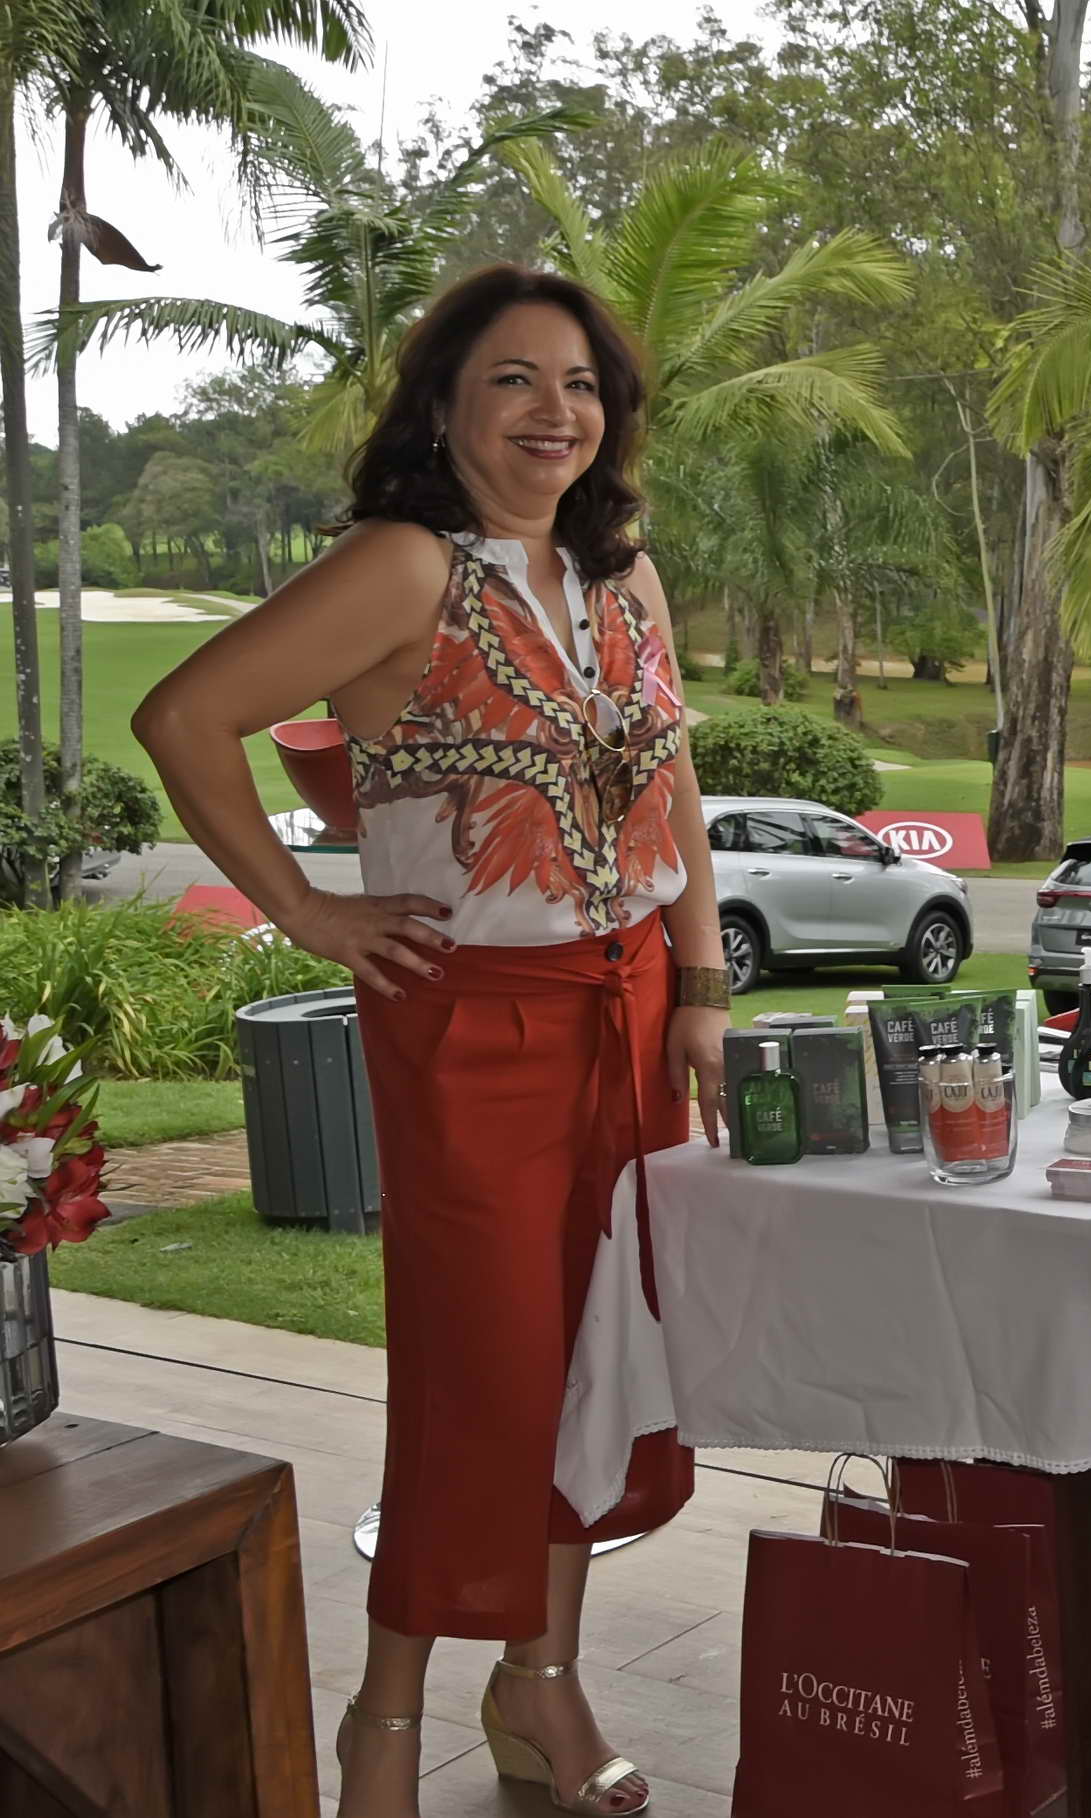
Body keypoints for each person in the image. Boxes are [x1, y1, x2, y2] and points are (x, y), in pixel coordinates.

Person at [134, 266, 724, 1818]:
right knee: (483, 1373)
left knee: (602, 1358)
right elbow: (185, 717)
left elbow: (670, 782)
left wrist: (704, 980)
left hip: (631, 1008)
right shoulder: (404, 566)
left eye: (580, 383)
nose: (554, 412)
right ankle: (383, 1721)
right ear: (445, 405)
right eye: (513, 379)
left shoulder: (624, 573)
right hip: (475, 1021)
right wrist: (306, 910)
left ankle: (539, 1681)